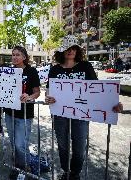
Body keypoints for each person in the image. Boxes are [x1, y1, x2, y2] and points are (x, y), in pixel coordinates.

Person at [45, 35, 123, 180]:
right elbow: (49, 91)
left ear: (77, 50)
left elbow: (98, 89)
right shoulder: (54, 69)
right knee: (62, 145)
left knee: (79, 146)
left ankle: (75, 173)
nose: (71, 51)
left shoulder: (85, 66)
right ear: (62, 51)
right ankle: (65, 171)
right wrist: (48, 98)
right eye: (68, 48)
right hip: (60, 114)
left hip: (81, 114)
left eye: (74, 48)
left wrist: (112, 104)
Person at [4, 46, 41, 177]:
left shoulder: (31, 71)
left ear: (24, 57)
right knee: (14, 143)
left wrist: (29, 97)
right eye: (13, 55)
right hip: (9, 113)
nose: (14, 57)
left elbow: (37, 92)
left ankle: (25, 167)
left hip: (24, 115)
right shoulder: (8, 71)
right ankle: (18, 166)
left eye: (18, 54)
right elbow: (3, 90)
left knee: (21, 144)